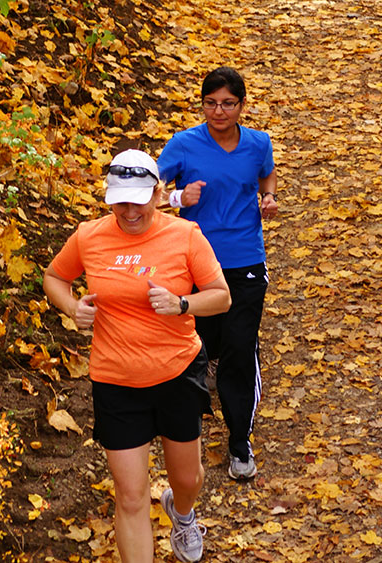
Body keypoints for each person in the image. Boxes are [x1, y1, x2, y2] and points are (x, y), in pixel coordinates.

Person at [43, 149, 231, 563]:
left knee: (187, 478)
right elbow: (55, 277)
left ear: (159, 194)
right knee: (130, 497)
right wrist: (73, 308)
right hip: (116, 380)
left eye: (138, 200)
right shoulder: (89, 236)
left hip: (177, 373)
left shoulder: (185, 236)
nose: (129, 210)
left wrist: (182, 304)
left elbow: (221, 298)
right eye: (119, 201)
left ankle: (182, 513)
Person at [157, 66, 279, 481]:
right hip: (194, 262)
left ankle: (239, 440)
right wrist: (178, 195)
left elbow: (266, 175)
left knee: (240, 350)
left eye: (228, 103)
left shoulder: (258, 144)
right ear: (202, 105)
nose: (219, 111)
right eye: (211, 103)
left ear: (242, 106)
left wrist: (269, 198)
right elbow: (149, 191)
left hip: (245, 260)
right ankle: (200, 391)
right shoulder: (184, 145)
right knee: (203, 345)